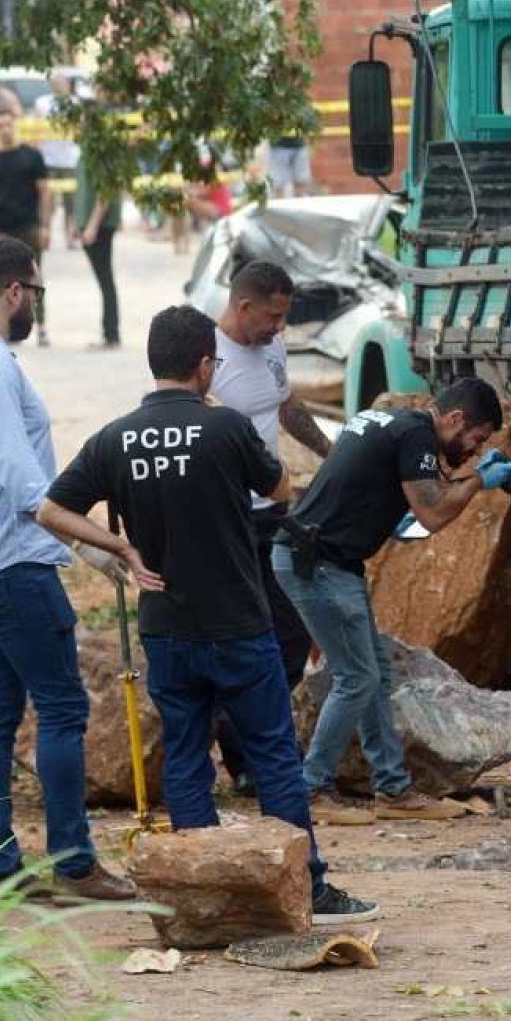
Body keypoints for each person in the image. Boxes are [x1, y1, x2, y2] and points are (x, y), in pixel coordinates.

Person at [37, 304, 379, 925]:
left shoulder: (115, 437)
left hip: (167, 627)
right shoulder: (223, 430)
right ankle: (307, 888)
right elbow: (276, 487)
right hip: (238, 624)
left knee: (189, 755)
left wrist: (117, 545)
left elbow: (51, 511)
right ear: (203, 366)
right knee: (273, 756)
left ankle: (204, 892)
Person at [0, 236, 139, 902]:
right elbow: (28, 491)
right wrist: (111, 545)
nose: (37, 304)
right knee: (63, 707)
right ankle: (73, 863)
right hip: (9, 567)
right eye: (36, 292)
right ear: (16, 291)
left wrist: (93, 554)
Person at [274, 377, 511, 819]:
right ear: (455, 419)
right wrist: (478, 480)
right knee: (357, 678)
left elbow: (398, 496)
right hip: (317, 563)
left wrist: (462, 475)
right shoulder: (415, 435)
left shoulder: (396, 426)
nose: (472, 451)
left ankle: (393, 789)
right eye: (475, 440)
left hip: (327, 560)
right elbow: (434, 512)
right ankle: (310, 790)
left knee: (376, 674)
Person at [208, 261, 334, 796]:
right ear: (243, 307)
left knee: (291, 628)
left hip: (273, 509)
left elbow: (286, 408)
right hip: (227, 516)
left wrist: (332, 453)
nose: (279, 327)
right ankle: (244, 759)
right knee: (240, 636)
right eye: (273, 316)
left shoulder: (272, 348)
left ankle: (259, 741)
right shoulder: (206, 355)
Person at [0, 105, 51, 346]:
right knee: (1, 282)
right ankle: (6, 328)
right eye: (0, 126)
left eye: (9, 124)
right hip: (0, 229)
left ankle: (41, 326)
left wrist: (45, 226)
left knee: (33, 278)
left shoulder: (32, 156)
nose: (5, 129)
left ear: (15, 125)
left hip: (28, 226)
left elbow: (45, 193)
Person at [75, 148, 122, 348]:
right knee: (105, 280)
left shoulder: (101, 152)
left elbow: (105, 193)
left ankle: (111, 334)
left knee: (106, 281)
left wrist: (92, 225)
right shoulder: (86, 152)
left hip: (100, 226)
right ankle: (110, 333)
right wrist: (77, 222)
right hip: (90, 224)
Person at [35, 71, 80, 250]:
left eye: (63, 82)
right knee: (47, 201)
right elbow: (36, 128)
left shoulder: (75, 103)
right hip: (48, 158)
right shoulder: (42, 102)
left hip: (70, 158)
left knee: (71, 202)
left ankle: (70, 236)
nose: (61, 85)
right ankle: (46, 234)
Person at [266, 133, 311, 199]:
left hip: (299, 145)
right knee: (277, 185)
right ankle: (279, 207)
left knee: (301, 183)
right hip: (278, 146)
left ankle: (300, 207)